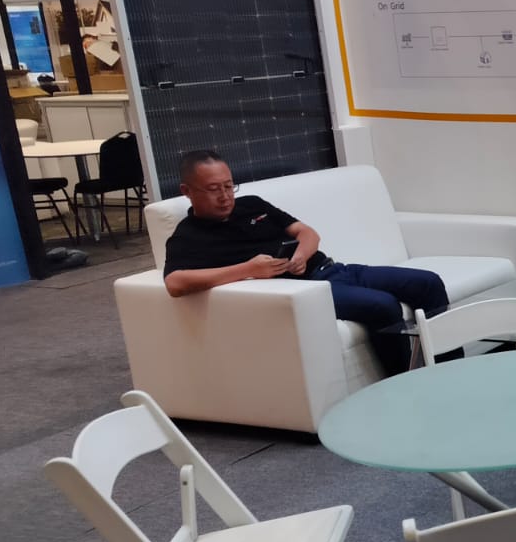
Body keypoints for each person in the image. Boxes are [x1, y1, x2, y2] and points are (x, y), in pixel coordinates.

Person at [162, 150, 449, 376]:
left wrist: (301, 254)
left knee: (428, 282)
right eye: (213, 189)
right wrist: (248, 269)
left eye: (228, 186)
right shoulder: (189, 235)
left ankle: (449, 368)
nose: (225, 196)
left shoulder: (252, 204)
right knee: (382, 305)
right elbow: (175, 283)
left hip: (335, 269)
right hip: (309, 290)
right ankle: (404, 383)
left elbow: (307, 233)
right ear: (187, 190)